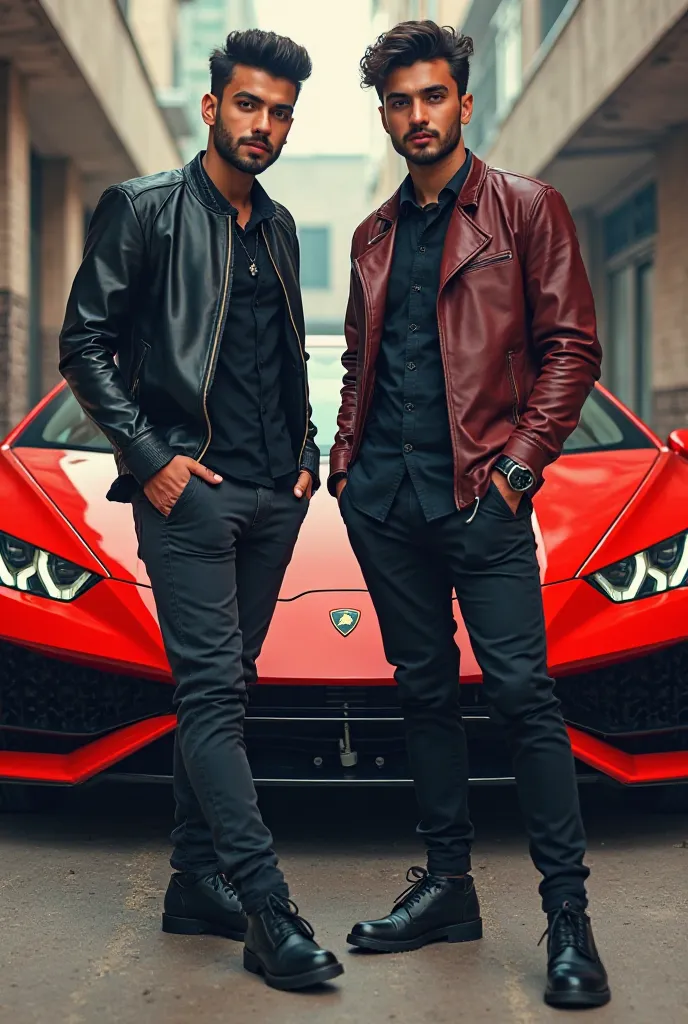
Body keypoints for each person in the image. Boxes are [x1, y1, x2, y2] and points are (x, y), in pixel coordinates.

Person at [330, 20, 609, 1010]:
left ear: (462, 100)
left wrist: (518, 471)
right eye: (399, 101)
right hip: (385, 505)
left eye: (431, 96)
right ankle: (447, 887)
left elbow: (571, 348)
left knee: (524, 699)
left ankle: (567, 918)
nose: (416, 115)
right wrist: (343, 462)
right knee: (420, 695)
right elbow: (361, 365)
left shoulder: (526, 211)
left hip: (482, 501)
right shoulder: (371, 234)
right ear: (385, 112)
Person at [59, 29, 343, 993]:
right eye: (250, 105)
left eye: (282, 113)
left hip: (273, 496)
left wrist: (303, 460)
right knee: (213, 693)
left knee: (226, 690)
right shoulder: (142, 210)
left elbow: (282, 354)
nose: (265, 125)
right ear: (213, 105)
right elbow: (84, 345)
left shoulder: (279, 222)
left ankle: (193, 881)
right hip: (191, 497)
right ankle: (266, 906)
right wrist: (154, 462)